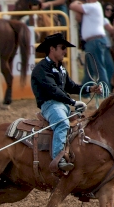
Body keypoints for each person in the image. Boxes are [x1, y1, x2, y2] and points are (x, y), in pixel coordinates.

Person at [31, 33, 102, 172]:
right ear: (52, 49)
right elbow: (53, 90)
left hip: (62, 105)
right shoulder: (41, 69)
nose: (65, 51)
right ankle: (57, 159)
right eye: (62, 47)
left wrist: (89, 88)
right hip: (50, 105)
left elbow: (71, 86)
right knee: (63, 123)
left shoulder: (61, 67)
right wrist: (73, 102)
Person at [69, 0, 113, 89]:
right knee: (90, 70)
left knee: (98, 69)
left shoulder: (93, 6)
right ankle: (86, 91)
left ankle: (104, 91)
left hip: (94, 41)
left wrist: (77, 1)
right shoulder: (93, 7)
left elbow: (72, 6)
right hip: (94, 41)